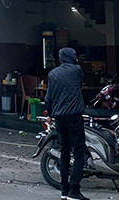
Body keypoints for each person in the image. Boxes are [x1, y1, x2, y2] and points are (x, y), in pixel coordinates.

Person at [44, 47, 87, 200]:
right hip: (74, 117)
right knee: (79, 153)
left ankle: (64, 190)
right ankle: (74, 191)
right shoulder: (76, 70)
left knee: (64, 153)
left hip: (59, 118)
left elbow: (48, 97)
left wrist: (49, 114)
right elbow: (81, 83)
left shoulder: (53, 74)